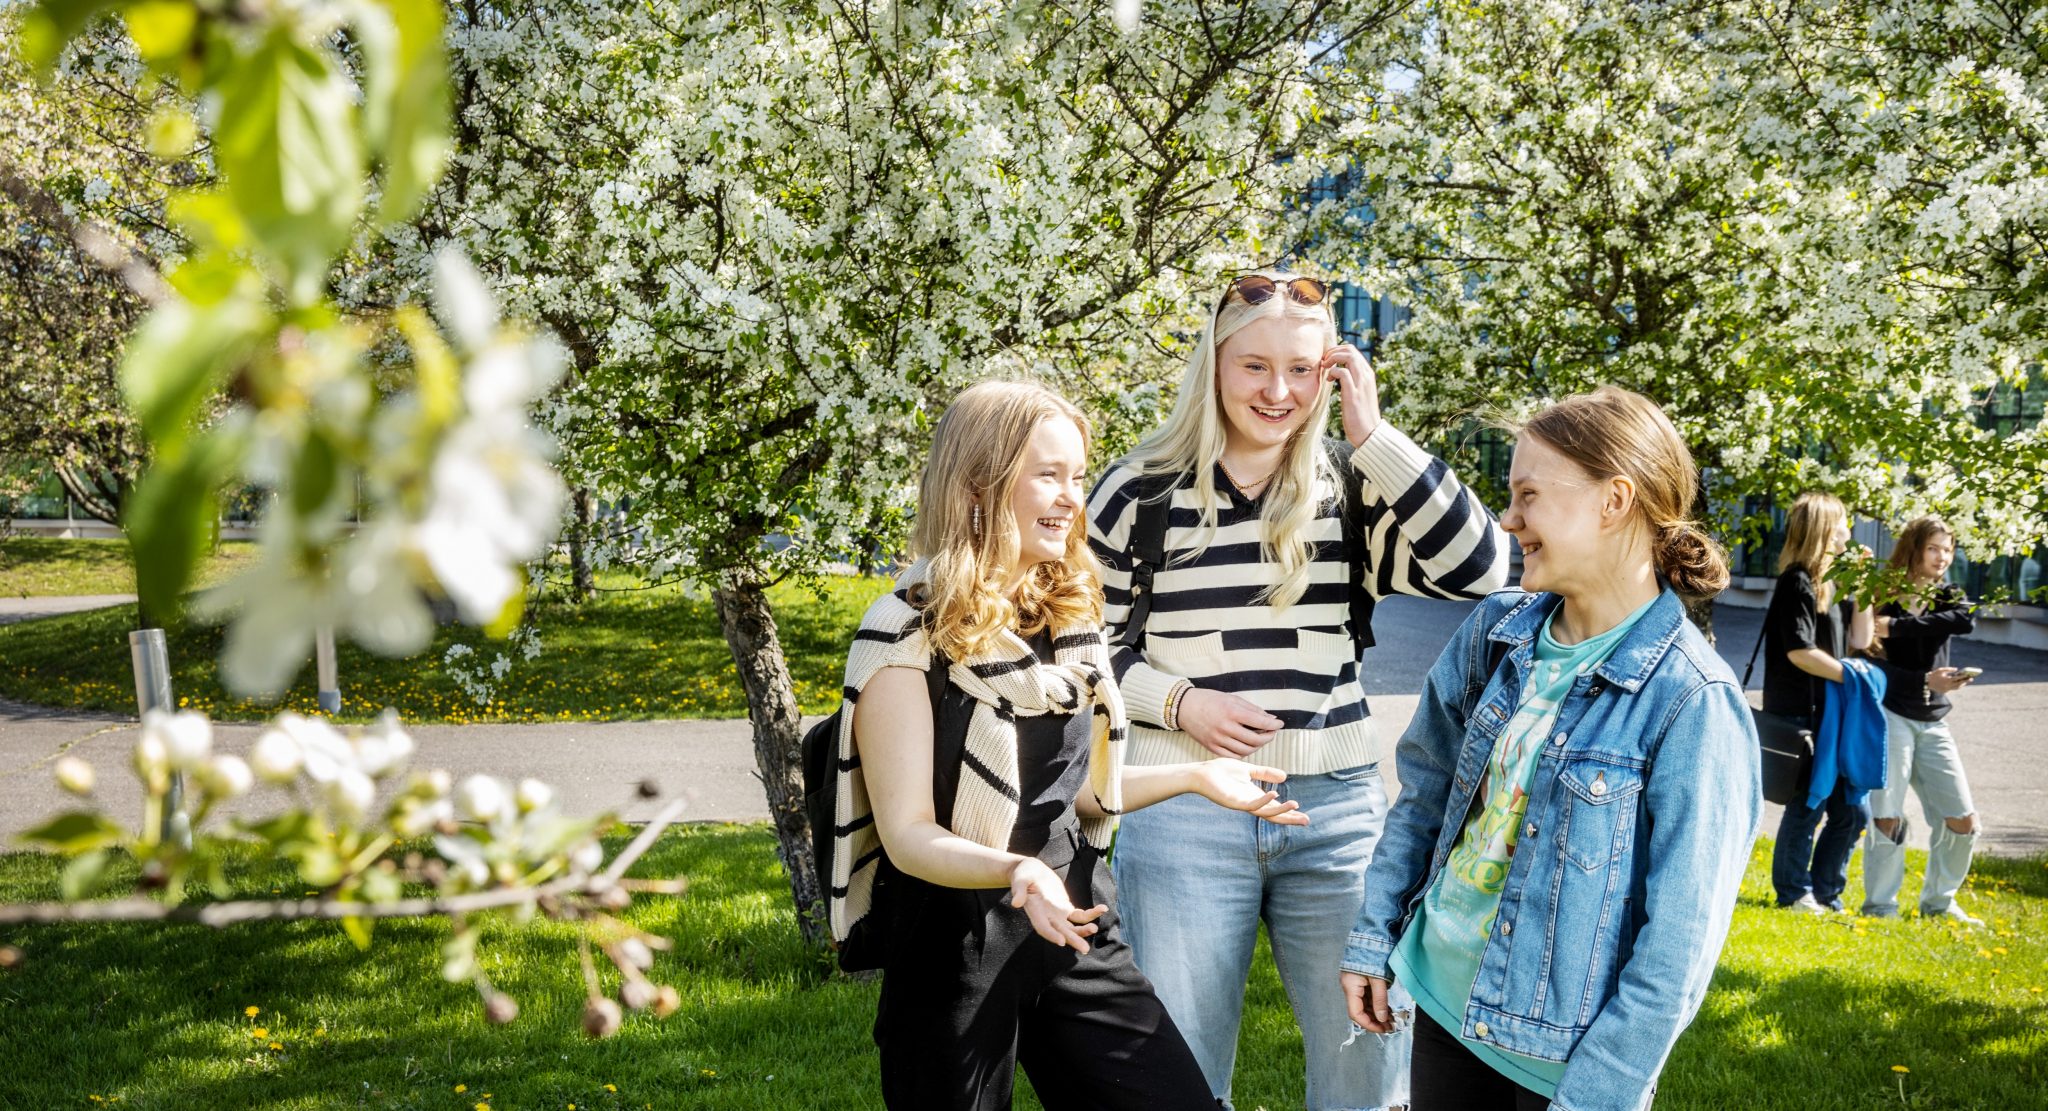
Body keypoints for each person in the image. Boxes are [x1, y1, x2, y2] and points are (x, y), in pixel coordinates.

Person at [1087, 271, 1507, 1110]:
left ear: (1333, 373)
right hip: (1184, 806)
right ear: (1213, 364)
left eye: (1302, 369)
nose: (1278, 391)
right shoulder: (1138, 492)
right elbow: (1084, 650)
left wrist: (1376, 436)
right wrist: (1181, 704)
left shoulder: (1355, 488)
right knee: (1181, 1075)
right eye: (1254, 366)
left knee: (1369, 1065)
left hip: (1336, 811)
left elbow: (1484, 569)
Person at [833, 380, 1311, 1110]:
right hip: (952, 944)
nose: (1070, 498)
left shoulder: (1066, 619)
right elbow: (908, 835)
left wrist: (1196, 775)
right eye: (1048, 475)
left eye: (1078, 476)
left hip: (1074, 917)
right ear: (977, 485)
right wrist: (1017, 870)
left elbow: (1075, 794)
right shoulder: (906, 635)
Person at [1340, 386, 1761, 1111]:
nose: (1509, 520)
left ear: (1614, 501)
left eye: (1528, 495)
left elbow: (1677, 950)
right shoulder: (1495, 632)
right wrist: (1374, 938)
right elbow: (1427, 797)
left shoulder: (1693, 699)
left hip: (1560, 1062)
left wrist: (1598, 1095)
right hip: (1442, 1000)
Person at [1863, 516, 1983, 925]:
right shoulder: (1883, 594)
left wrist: (1898, 628)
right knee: (1887, 814)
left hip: (1934, 719)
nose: (1942, 557)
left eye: (1948, 549)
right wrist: (1922, 679)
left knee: (1962, 819)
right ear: (1913, 548)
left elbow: (1966, 619)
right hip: (1892, 713)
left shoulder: (1948, 596)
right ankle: (1881, 906)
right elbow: (1869, 661)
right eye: (1934, 548)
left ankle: (1939, 903)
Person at [1763, 491, 1876, 913]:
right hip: (1803, 712)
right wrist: (1854, 677)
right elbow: (1799, 651)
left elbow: (1861, 638)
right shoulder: (1798, 581)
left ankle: (1827, 892)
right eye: (1843, 521)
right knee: (1808, 805)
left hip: (1834, 713)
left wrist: (1863, 586)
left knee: (1853, 812)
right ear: (1826, 528)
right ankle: (1793, 892)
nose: (1849, 530)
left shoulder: (1833, 580)